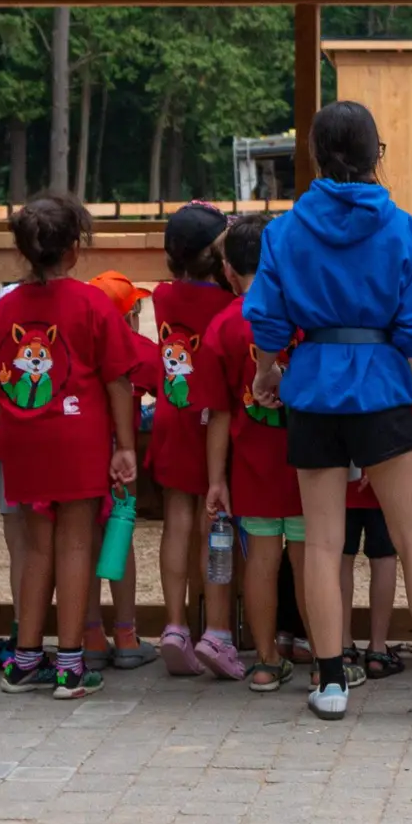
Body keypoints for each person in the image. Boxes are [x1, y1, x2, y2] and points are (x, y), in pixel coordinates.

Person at [242, 100, 412, 721]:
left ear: (314, 155)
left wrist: (269, 374)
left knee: (322, 544)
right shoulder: (402, 229)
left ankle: (329, 684)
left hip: (315, 388)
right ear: (377, 153)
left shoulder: (285, 230)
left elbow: (267, 321)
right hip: (383, 390)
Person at [0, 192, 140, 698]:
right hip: (79, 438)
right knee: (75, 543)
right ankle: (70, 662)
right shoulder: (93, 304)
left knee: (32, 546)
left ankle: (25, 658)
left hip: (25, 440)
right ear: (74, 249)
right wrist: (125, 445)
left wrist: (18, 425)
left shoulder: (4, 308)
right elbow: (118, 380)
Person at [202, 214, 310, 693]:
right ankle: (329, 656)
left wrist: (216, 479)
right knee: (311, 561)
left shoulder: (221, 328)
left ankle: (266, 660)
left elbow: (220, 414)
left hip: (252, 469)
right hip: (309, 464)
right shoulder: (304, 319)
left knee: (262, 562)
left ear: (228, 270)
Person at [148, 204, 240, 680]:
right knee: (215, 523)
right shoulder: (227, 305)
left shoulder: (163, 297)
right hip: (212, 426)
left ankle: (174, 626)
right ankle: (218, 631)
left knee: (177, 520)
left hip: (169, 418)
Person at [84, 270, 160, 670]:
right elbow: (164, 380)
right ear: (129, 315)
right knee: (120, 541)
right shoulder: (138, 348)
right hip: (122, 466)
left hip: (84, 460)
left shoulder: (82, 344)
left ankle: (92, 635)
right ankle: (127, 635)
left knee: (83, 543)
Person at [341, 476, 397, 681]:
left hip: (343, 477)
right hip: (383, 474)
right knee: (384, 558)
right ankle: (378, 650)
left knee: (341, 558)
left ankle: (342, 647)